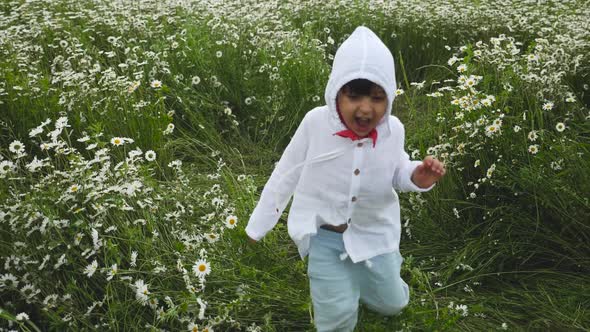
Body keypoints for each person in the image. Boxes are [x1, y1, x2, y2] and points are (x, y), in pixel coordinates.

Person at [245, 26, 446, 332]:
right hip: (325, 238)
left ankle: (369, 284)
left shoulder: (394, 129)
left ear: (389, 99)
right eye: (354, 96)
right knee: (336, 317)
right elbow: (286, 174)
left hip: (375, 233)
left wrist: (418, 175)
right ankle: (339, 294)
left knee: (392, 304)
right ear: (335, 92)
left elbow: (398, 170)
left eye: (378, 98)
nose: (366, 108)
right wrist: (258, 225)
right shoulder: (315, 123)